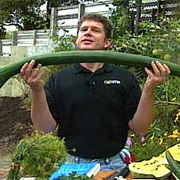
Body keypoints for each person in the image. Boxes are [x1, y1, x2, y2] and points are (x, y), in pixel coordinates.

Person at [20, 13, 170, 171]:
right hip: (70, 164)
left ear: (107, 42)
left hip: (114, 164)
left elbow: (140, 128)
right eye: (83, 29)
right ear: (77, 40)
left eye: (95, 30)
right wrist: (36, 91)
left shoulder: (124, 78)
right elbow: (44, 128)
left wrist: (149, 89)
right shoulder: (59, 79)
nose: (88, 32)